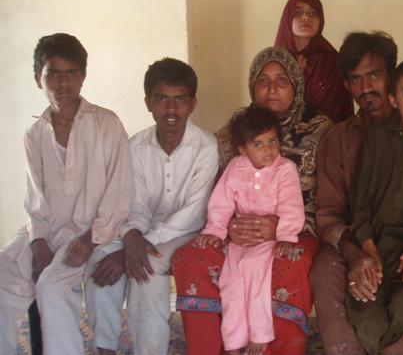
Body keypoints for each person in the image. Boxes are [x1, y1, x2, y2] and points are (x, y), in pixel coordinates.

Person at [172, 46, 332, 355]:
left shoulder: (322, 131)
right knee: (193, 258)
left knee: (288, 264)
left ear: (296, 85)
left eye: (282, 80)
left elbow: (330, 199)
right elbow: (219, 192)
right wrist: (226, 227)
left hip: (299, 230)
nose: (272, 88)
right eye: (263, 80)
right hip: (237, 233)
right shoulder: (235, 131)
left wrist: (281, 230)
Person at [311, 32, 403, 355]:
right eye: (355, 80)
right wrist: (355, 253)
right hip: (356, 243)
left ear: (392, 80)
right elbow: (327, 214)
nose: (365, 88)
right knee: (325, 269)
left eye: (374, 75)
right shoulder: (336, 140)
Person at [0, 33, 133, 354]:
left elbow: (119, 193)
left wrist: (90, 238)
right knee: (3, 270)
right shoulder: (35, 135)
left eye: (72, 72)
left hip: (99, 231)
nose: (63, 83)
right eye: (53, 73)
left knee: (51, 286)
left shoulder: (106, 123)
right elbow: (35, 199)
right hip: (50, 229)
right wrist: (38, 240)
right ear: (37, 78)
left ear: (83, 77)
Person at [84, 58, 218, 355]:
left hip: (185, 232)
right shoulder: (136, 146)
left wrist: (139, 245)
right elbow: (136, 202)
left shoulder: (206, 147)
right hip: (140, 228)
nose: (171, 110)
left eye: (180, 100)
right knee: (100, 262)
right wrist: (131, 237)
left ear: (193, 103)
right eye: (161, 99)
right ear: (148, 103)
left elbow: (192, 213)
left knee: (146, 268)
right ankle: (104, 346)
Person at [195, 105, 305, 355]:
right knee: (230, 281)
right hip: (240, 240)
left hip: (269, 239)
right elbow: (221, 202)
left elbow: (291, 205)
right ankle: (233, 342)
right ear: (242, 149)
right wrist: (215, 231)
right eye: (259, 144)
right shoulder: (236, 166)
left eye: (273, 141)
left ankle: (259, 336)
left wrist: (286, 235)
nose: (269, 150)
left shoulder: (284, 169)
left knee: (255, 272)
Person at [275, 0, 353, 123]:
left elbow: (344, 113)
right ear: (287, 18)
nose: (306, 17)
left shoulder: (333, 62)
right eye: (298, 12)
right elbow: (267, 111)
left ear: (320, 20)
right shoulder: (274, 61)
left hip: (329, 138)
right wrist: (293, 79)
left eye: (313, 13)